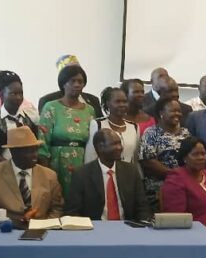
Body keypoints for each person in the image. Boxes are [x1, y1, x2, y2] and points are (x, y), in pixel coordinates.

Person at [0, 126, 64, 226]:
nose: (35, 155)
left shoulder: (49, 175)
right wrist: (4, 225)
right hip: (4, 233)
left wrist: (44, 225)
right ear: (14, 152)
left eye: (36, 150)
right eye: (29, 151)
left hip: (41, 231)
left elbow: (57, 208)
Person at [66, 129, 152, 221]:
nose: (120, 147)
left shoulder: (131, 171)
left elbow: (142, 207)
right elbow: (72, 212)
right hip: (94, 229)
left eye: (120, 143)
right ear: (100, 147)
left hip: (127, 228)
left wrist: (143, 225)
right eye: (114, 144)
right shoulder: (82, 174)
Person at [38, 65, 96, 197]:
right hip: (56, 163)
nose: (77, 85)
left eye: (80, 82)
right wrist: (46, 172)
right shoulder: (51, 107)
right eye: (72, 81)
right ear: (63, 84)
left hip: (83, 163)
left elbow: (93, 142)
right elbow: (43, 142)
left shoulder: (90, 110)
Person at [140, 98, 191, 210]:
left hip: (183, 187)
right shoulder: (151, 133)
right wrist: (175, 175)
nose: (177, 114)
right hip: (159, 189)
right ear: (161, 113)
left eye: (179, 111)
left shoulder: (185, 133)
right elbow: (148, 162)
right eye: (173, 111)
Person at [0, 71, 40, 163]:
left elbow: (38, 142)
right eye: (14, 94)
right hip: (0, 167)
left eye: (21, 93)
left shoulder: (32, 115)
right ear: (1, 94)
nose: (19, 97)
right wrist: (8, 165)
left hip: (29, 165)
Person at [37, 54, 103, 119]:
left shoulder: (93, 100)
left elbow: (100, 124)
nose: (76, 84)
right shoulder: (47, 101)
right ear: (63, 78)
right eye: (72, 79)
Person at [85, 87, 139, 164]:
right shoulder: (98, 124)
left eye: (125, 101)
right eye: (118, 101)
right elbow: (90, 156)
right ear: (108, 103)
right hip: (103, 173)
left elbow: (135, 157)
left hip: (127, 173)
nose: (122, 105)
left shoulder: (134, 127)